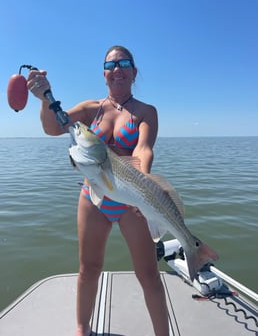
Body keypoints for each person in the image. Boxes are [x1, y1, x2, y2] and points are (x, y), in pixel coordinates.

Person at [27, 45, 170, 336]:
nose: (117, 69)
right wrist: (44, 99)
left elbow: (143, 148)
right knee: (88, 268)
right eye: (111, 65)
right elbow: (54, 127)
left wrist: (142, 183)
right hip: (94, 198)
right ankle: (82, 329)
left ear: (134, 72)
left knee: (149, 276)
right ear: (104, 74)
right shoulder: (91, 109)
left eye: (124, 63)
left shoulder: (146, 112)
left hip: (132, 200)